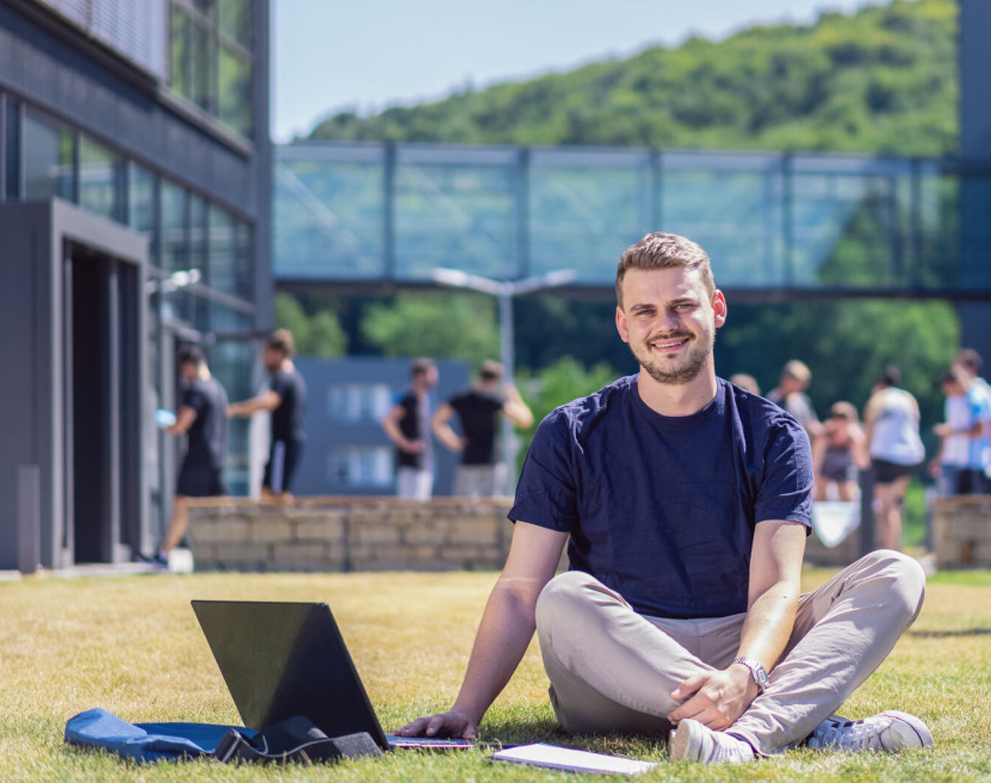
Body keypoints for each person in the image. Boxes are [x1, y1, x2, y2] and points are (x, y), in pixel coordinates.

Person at [398, 232, 931, 765]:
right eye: (646, 311)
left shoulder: (774, 433)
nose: (665, 325)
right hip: (615, 664)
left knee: (896, 573)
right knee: (562, 597)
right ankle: (788, 723)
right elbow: (519, 590)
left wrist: (744, 674)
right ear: (623, 325)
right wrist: (467, 708)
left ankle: (744, 737)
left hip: (740, 649)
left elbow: (774, 590)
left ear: (716, 309)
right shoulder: (570, 432)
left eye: (682, 306)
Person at [156, 345, 228, 562]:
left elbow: (182, 424)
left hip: (198, 457)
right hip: (217, 458)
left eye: (182, 369)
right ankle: (224, 554)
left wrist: (168, 425)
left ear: (189, 366)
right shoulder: (218, 389)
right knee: (220, 508)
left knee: (182, 506)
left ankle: (163, 554)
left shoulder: (196, 390)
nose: (182, 375)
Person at [433, 360, 534, 498]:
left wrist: (453, 442)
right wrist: (515, 397)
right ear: (496, 380)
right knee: (491, 509)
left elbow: (436, 421)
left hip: (468, 459)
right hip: (491, 460)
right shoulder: (494, 401)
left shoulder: (461, 398)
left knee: (463, 506)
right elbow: (526, 420)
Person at [227, 329, 306, 505]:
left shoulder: (283, 378)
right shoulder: (293, 377)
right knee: (269, 492)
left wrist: (235, 409)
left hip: (283, 444)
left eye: (266, 353)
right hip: (284, 445)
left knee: (276, 495)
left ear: (278, 353)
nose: (263, 359)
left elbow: (269, 401)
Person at [863, 367, 925, 552]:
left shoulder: (878, 399)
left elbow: (870, 429)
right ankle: (898, 545)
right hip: (911, 455)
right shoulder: (909, 398)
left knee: (886, 507)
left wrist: (866, 453)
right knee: (897, 504)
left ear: (879, 384)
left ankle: (890, 551)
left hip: (886, 455)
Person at [931, 364, 991, 496]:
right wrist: (938, 457)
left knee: (971, 506)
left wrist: (953, 432)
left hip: (974, 463)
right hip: (958, 462)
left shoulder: (976, 398)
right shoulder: (953, 400)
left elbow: (981, 431)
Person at [382, 358, 439, 501]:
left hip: (423, 462)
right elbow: (388, 420)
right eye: (431, 374)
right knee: (410, 507)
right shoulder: (409, 399)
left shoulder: (423, 399)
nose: (435, 378)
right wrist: (404, 443)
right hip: (410, 464)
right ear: (419, 376)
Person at [811, 401, 867, 502]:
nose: (841, 424)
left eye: (844, 420)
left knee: (846, 494)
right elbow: (816, 460)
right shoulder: (825, 434)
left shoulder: (854, 437)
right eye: (838, 420)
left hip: (844, 466)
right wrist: (813, 481)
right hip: (827, 466)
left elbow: (862, 462)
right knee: (821, 493)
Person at [954, 349, 991, 458]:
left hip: (977, 460)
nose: (955, 374)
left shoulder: (984, 393)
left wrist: (990, 456)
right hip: (960, 460)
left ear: (971, 369)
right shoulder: (957, 394)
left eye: (958, 369)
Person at [765, 359, 822, 442]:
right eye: (797, 382)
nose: (802, 387)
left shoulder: (802, 400)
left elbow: (813, 423)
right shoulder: (772, 401)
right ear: (785, 379)